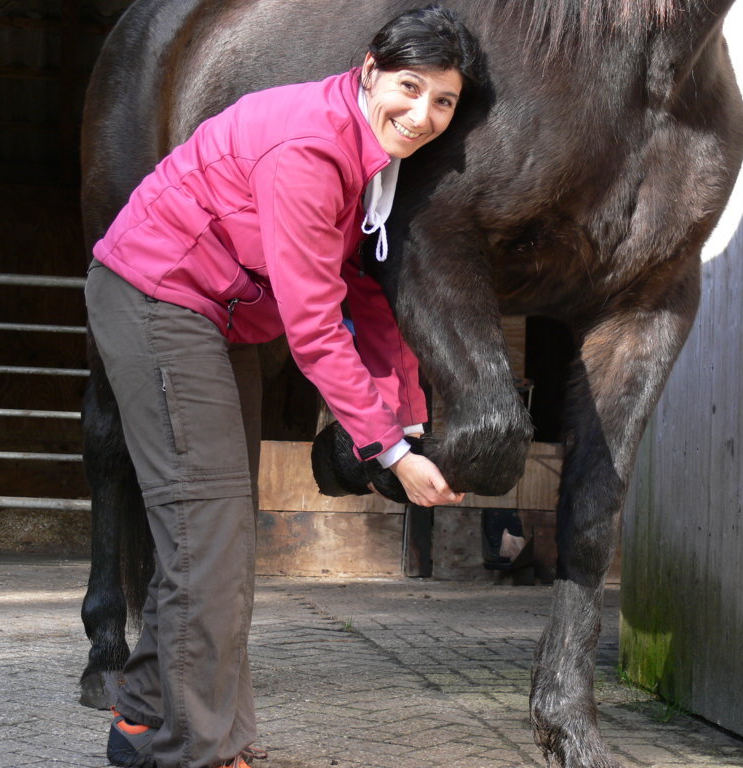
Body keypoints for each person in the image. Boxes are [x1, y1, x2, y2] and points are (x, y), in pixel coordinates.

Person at [85, 6, 481, 768]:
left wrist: (409, 416)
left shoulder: (375, 160)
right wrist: (389, 452)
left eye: (444, 100)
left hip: (215, 316)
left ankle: (142, 719)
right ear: (369, 70)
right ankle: (193, 751)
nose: (423, 114)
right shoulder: (311, 146)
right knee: (207, 542)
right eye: (409, 87)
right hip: (158, 297)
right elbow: (313, 321)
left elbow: (367, 293)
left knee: (216, 540)